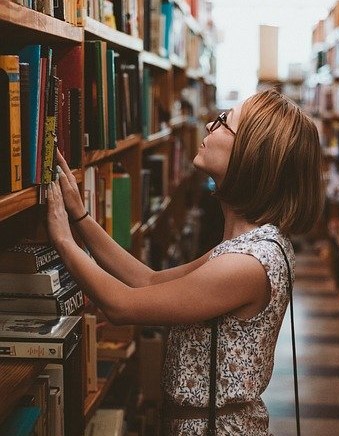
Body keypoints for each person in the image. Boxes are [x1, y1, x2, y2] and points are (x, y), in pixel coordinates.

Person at [47, 88, 324, 435]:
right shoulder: (248, 245)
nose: (210, 124)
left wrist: (62, 240)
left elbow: (120, 306)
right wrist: (81, 217)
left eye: (224, 123)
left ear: (251, 154)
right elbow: (147, 280)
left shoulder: (247, 262)